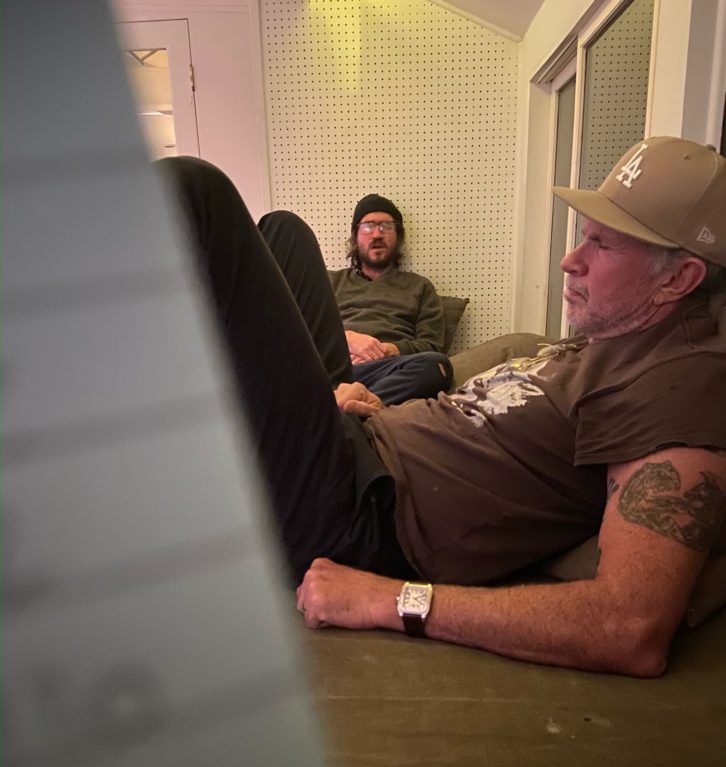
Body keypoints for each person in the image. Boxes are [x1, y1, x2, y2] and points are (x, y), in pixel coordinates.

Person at [159, 136, 726, 678]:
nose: (570, 260)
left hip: (356, 514)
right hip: (359, 441)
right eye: (586, 234)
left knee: (194, 192)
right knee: (284, 232)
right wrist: (366, 411)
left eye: (602, 244)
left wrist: (392, 599)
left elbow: (628, 626)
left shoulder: (679, 388)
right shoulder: (618, 341)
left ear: (679, 277)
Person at [327, 194, 453, 404]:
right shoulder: (330, 281)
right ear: (355, 235)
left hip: (388, 370)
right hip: (339, 369)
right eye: (368, 226)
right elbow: (304, 332)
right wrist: (347, 339)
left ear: (399, 236)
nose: (377, 234)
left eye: (386, 226)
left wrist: (390, 350)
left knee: (437, 366)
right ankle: (356, 407)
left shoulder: (419, 286)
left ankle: (351, 406)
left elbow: (431, 344)